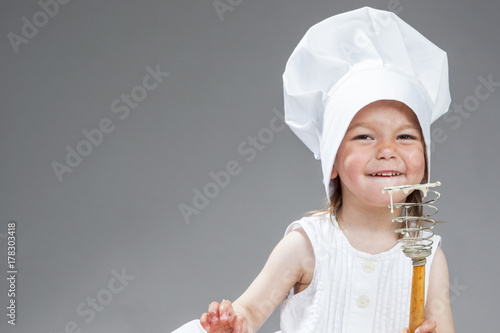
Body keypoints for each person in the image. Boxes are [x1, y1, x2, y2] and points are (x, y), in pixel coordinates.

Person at [174, 6, 455, 333]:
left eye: (405, 136)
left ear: (425, 159)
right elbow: (249, 311)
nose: (387, 150)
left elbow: (443, 327)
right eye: (364, 136)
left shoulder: (428, 258)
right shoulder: (306, 246)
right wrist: (233, 325)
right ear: (332, 158)